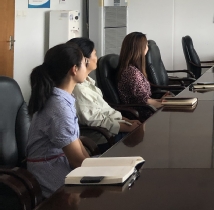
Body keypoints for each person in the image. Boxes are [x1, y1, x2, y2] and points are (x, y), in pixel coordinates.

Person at [26, 43, 90, 197]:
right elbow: (77, 161)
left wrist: (95, 165)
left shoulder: (63, 98)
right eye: (84, 63)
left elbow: (75, 141)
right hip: (49, 170)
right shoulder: (58, 107)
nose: (87, 67)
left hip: (61, 161)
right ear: (74, 69)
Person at [68, 37, 142, 151]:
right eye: (95, 54)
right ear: (85, 60)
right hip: (103, 137)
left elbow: (106, 110)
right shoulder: (79, 89)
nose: (97, 58)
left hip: (112, 130)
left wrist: (127, 121)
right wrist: (126, 127)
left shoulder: (88, 82)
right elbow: (95, 120)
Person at [117, 32, 165, 120]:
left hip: (145, 108)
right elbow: (144, 101)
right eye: (146, 45)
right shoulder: (132, 73)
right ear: (139, 49)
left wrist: (161, 100)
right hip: (142, 113)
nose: (147, 48)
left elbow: (144, 98)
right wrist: (165, 103)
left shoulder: (132, 69)